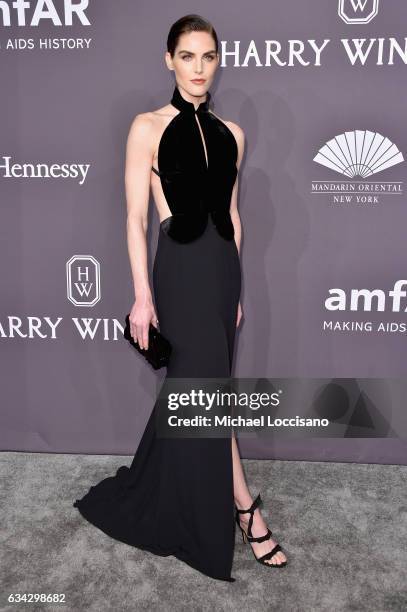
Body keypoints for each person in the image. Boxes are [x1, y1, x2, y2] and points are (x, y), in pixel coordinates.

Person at [73, 14, 287, 581]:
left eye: (208, 56)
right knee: (209, 391)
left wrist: (236, 286)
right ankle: (245, 510)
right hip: (180, 269)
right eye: (187, 56)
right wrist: (142, 296)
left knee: (209, 392)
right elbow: (136, 216)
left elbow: (235, 217)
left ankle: (223, 501)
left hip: (221, 276)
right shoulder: (147, 126)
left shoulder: (234, 134)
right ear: (169, 59)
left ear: (218, 61)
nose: (198, 68)